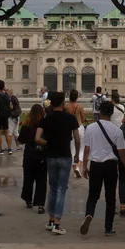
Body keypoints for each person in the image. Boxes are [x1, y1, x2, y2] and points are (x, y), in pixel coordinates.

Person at [80, 100, 125, 237]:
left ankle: (89, 214)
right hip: (110, 165)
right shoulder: (116, 130)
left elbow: (86, 149)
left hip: (96, 164)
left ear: (100, 111)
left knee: (93, 195)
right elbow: (121, 152)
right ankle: (108, 228)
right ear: (112, 112)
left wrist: (85, 166)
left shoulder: (90, 128)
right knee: (110, 197)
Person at [35, 91, 80, 235]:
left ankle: (50, 220)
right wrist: (77, 155)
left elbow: (37, 138)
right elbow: (77, 139)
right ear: (63, 102)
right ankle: (57, 223)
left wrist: (48, 143)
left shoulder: (46, 118)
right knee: (61, 189)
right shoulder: (70, 118)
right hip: (65, 157)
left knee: (53, 188)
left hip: (51, 157)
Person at [18, 104, 47, 214]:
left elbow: (21, 141)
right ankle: (40, 203)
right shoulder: (43, 125)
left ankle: (28, 199)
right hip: (41, 154)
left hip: (29, 155)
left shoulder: (27, 125)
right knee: (41, 180)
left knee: (28, 178)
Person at [65, 89, 85, 177]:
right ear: (77, 97)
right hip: (79, 127)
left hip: (70, 129)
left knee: (72, 149)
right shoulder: (80, 107)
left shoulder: (66, 107)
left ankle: (75, 170)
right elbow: (83, 118)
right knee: (81, 149)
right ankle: (78, 167)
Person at [0, 80, 12, 155]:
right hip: (5, 115)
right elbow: (10, 105)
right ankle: (9, 148)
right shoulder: (7, 95)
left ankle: (1, 149)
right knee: (6, 132)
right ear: (4, 86)